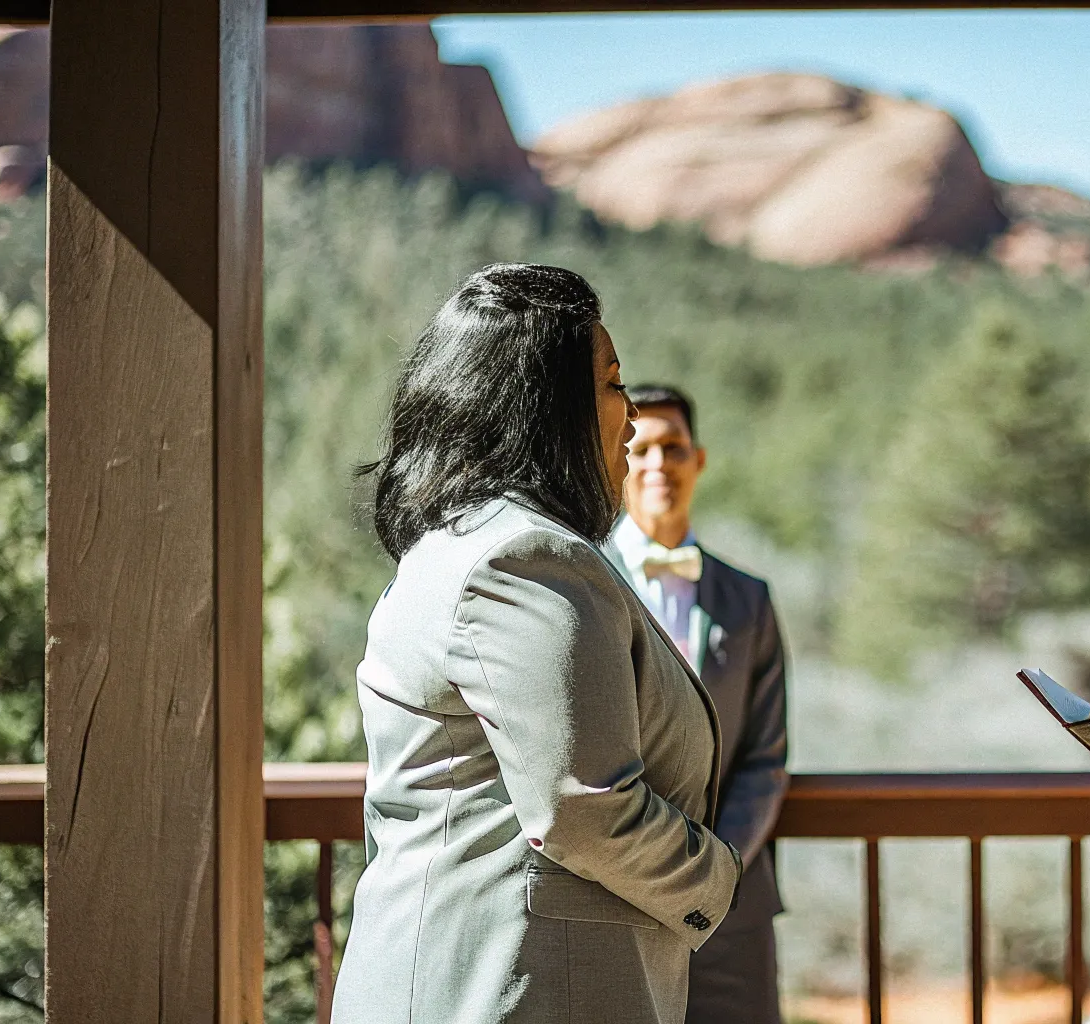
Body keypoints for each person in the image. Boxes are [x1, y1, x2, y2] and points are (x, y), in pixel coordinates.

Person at [333, 264, 740, 1024]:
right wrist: (717, 879)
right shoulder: (522, 560)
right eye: (613, 384)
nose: (630, 415)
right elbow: (581, 807)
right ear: (548, 409)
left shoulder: (465, 541)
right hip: (513, 991)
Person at [603, 385, 790, 1024]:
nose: (659, 465)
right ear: (618, 459)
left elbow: (766, 759)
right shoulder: (582, 582)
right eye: (642, 448)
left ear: (699, 460)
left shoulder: (750, 599)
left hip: (732, 909)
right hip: (611, 897)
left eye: (674, 448)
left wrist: (720, 868)